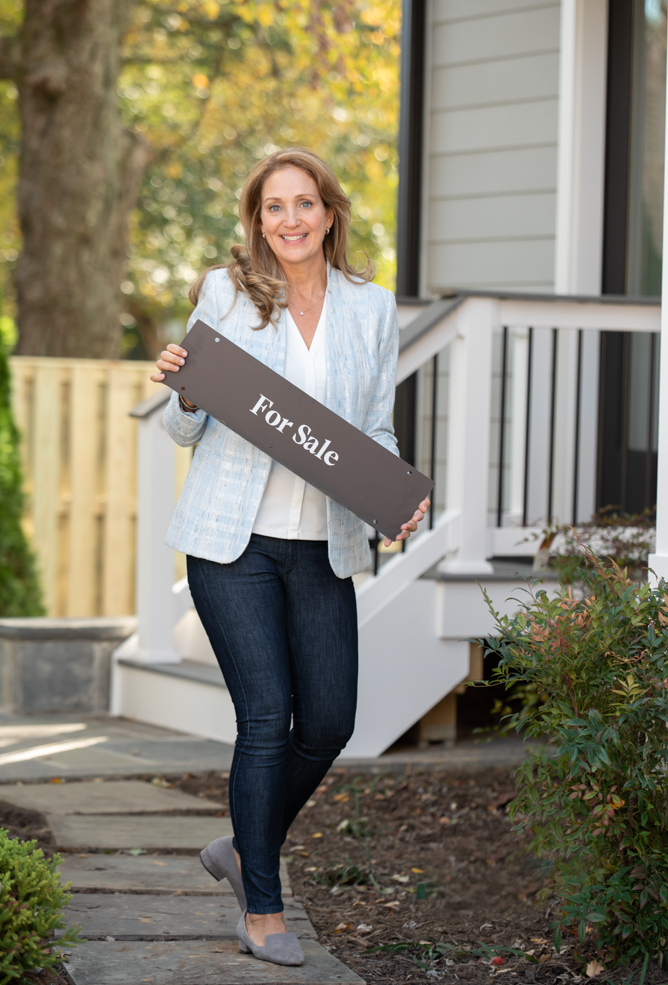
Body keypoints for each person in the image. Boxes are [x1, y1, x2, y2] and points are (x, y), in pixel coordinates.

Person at [151, 147, 429, 967]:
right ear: (258, 220)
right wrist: (188, 393)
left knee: (330, 721)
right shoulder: (226, 293)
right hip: (231, 541)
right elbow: (185, 423)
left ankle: (243, 844)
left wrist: (394, 495)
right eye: (274, 207)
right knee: (267, 719)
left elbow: (374, 426)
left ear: (330, 213)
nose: (291, 220)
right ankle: (263, 905)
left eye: (304, 203)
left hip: (324, 544)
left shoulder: (372, 308)